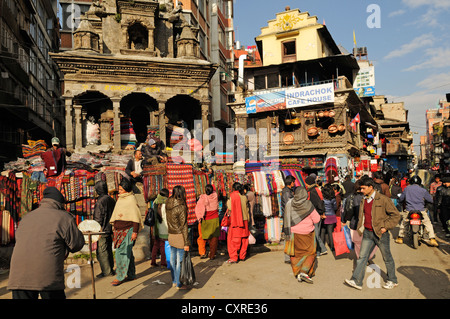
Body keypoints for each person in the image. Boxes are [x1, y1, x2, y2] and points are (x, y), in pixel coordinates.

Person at [8, 187, 85, 299]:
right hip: (48, 276)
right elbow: (76, 244)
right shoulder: (64, 218)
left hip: (18, 275)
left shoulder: (26, 218)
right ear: (60, 203)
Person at [344, 177, 401, 290]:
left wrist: (385, 226)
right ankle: (357, 281)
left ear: (371, 187)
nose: (361, 191)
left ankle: (392, 280)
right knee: (362, 257)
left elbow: (396, 215)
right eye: (361, 188)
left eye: (363, 188)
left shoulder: (383, 199)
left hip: (380, 234)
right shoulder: (363, 200)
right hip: (367, 233)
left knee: (387, 258)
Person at [110, 178, 144, 286]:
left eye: (121, 189)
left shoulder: (131, 199)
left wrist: (135, 232)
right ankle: (131, 274)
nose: (119, 191)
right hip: (119, 230)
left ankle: (120, 276)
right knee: (127, 252)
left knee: (122, 253)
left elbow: (135, 217)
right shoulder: (120, 199)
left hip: (128, 230)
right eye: (119, 189)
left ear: (126, 189)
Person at [283, 187, 320, 284]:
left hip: (293, 234)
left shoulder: (289, 203)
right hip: (307, 234)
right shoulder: (308, 205)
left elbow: (286, 218)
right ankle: (304, 272)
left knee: (296, 254)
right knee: (310, 253)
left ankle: (298, 272)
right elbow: (317, 219)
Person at [396, 175, 439, 247]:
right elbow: (430, 200)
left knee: (404, 223)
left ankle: (400, 237)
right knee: (428, 223)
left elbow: (401, 199)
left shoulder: (407, 189)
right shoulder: (423, 190)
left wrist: (400, 201)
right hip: (421, 210)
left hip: (409, 210)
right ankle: (432, 239)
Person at [166, 185, 190, 289]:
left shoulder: (168, 203)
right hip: (180, 235)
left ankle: (174, 281)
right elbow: (184, 225)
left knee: (172, 259)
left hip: (171, 234)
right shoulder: (181, 206)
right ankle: (179, 283)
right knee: (179, 261)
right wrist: (186, 242)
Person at [93, 180, 116, 278]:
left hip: (102, 229)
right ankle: (110, 269)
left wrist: (96, 229)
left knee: (102, 251)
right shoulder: (111, 199)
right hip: (110, 228)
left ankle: (107, 271)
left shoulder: (100, 201)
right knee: (108, 250)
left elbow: (98, 217)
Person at [225, 182, 250, 264]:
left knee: (234, 240)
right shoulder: (244, 197)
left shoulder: (232, 196)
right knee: (244, 239)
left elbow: (230, 207)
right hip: (245, 220)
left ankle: (234, 257)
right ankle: (242, 256)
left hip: (236, 220)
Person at [195, 184, 220, 260]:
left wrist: (199, 218)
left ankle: (202, 253)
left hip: (205, 220)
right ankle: (212, 255)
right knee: (214, 238)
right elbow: (215, 190)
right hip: (214, 220)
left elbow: (199, 210)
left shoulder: (202, 198)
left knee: (202, 237)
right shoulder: (215, 196)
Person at [304, 175, 327, 256]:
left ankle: (321, 250)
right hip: (317, 214)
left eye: (306, 183)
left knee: (315, 234)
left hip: (315, 215)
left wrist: (321, 213)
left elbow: (318, 203)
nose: (305, 185)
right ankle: (319, 251)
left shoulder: (312, 191)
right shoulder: (315, 190)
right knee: (316, 233)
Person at [151, 188, 169, 268]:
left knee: (156, 245)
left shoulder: (155, 202)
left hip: (156, 227)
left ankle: (153, 262)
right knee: (163, 246)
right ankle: (163, 263)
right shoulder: (166, 203)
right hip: (164, 227)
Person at [281, 175, 296, 263]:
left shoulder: (288, 191)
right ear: (291, 183)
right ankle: (287, 257)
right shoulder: (287, 192)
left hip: (289, 216)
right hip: (288, 217)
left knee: (290, 237)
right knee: (288, 237)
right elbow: (289, 204)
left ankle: (289, 255)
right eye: (293, 182)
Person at [321, 183, 338, 253]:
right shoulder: (333, 199)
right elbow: (335, 207)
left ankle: (322, 246)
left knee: (322, 231)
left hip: (324, 216)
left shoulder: (322, 199)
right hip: (332, 216)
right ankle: (332, 246)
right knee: (330, 232)